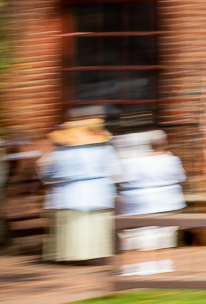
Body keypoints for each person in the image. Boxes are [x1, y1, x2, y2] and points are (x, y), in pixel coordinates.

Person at [38, 110, 118, 263]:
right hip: (97, 191)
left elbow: (47, 171)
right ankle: (93, 255)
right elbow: (115, 169)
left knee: (74, 226)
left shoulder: (61, 151)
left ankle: (74, 256)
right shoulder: (104, 148)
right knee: (93, 225)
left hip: (70, 193)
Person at [114, 130, 186, 276]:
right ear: (164, 144)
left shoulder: (132, 160)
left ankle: (136, 266)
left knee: (137, 235)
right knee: (165, 233)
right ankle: (164, 263)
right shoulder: (171, 159)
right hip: (168, 201)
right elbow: (181, 177)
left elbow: (120, 178)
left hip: (139, 202)